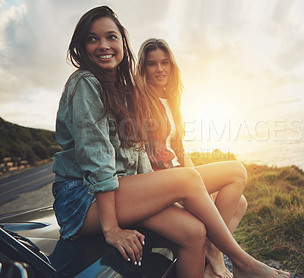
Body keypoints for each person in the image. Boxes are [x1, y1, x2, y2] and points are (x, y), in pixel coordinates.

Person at [52, 5, 290, 278]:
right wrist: (112, 229)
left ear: (122, 41)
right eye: (92, 38)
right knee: (186, 178)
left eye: (111, 37)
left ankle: (212, 258)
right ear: (81, 46)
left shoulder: (120, 90)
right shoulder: (85, 83)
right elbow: (97, 157)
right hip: (82, 198)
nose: (103, 45)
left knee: (194, 231)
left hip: (117, 191)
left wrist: (156, 193)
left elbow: (136, 153)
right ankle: (243, 262)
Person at [136, 38, 248, 278]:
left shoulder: (172, 101)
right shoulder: (140, 101)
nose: (159, 69)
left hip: (180, 174)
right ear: (143, 68)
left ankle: (210, 258)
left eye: (164, 63)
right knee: (236, 170)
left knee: (239, 203)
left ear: (172, 66)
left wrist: (199, 184)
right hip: (161, 181)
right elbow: (141, 152)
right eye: (152, 64)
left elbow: (179, 150)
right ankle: (215, 253)